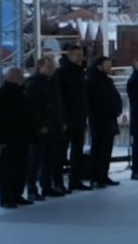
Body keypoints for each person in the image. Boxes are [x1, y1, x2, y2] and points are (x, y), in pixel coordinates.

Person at [24, 56, 66, 200]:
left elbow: (58, 103)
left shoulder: (53, 82)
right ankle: (31, 189)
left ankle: (46, 186)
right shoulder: (33, 83)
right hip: (40, 128)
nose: (52, 69)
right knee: (35, 160)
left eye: (53, 67)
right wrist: (39, 125)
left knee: (50, 158)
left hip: (53, 125)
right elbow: (32, 108)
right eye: (49, 67)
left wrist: (61, 120)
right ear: (39, 67)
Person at [0, 68, 34, 208]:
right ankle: (7, 198)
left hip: (21, 136)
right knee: (9, 168)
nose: (23, 78)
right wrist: (1, 139)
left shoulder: (19, 93)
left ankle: (16, 194)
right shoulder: (1, 95)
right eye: (20, 76)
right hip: (10, 137)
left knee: (21, 167)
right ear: (12, 77)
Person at [54, 44, 90, 191]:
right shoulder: (62, 72)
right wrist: (63, 118)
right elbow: (59, 98)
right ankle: (58, 182)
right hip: (67, 118)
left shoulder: (80, 71)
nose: (81, 58)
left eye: (82, 55)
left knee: (77, 150)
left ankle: (75, 180)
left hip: (79, 117)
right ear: (69, 55)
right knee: (61, 151)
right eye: (77, 55)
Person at [85, 56, 122, 188]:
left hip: (110, 118)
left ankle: (103, 175)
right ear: (99, 66)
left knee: (107, 149)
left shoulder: (108, 81)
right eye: (107, 65)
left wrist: (117, 109)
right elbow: (92, 102)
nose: (109, 67)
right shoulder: (91, 81)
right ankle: (95, 176)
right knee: (98, 149)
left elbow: (115, 97)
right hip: (99, 120)